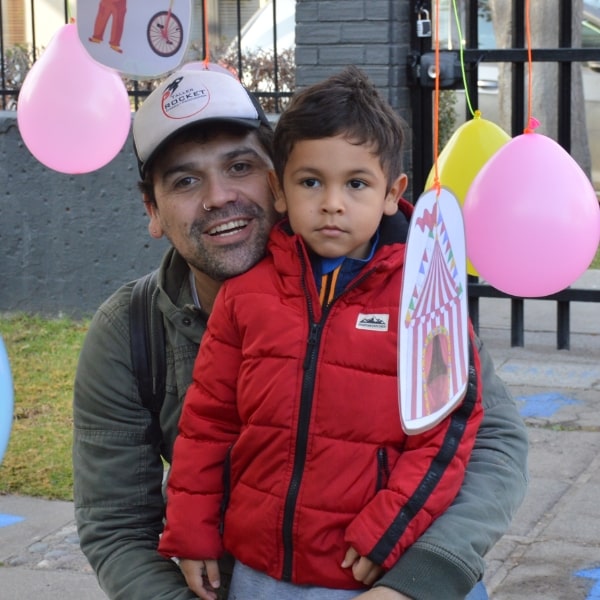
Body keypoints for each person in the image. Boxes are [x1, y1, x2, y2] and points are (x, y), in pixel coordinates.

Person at [72, 62, 528, 600]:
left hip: (394, 569)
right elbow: (119, 523)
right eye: (186, 180)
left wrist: (420, 578)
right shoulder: (130, 330)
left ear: (273, 179)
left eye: (239, 166)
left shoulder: (418, 286)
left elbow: (486, 442)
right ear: (152, 210)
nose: (219, 196)